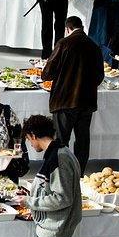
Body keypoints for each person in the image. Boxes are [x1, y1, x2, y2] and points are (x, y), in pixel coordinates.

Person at [40, 16, 104, 174]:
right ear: (82, 27)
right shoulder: (94, 46)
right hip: (87, 102)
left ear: (67, 29)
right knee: (82, 141)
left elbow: (47, 74)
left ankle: (60, 173)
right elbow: (100, 76)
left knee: (61, 141)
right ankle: (79, 174)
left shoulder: (64, 43)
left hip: (64, 100)